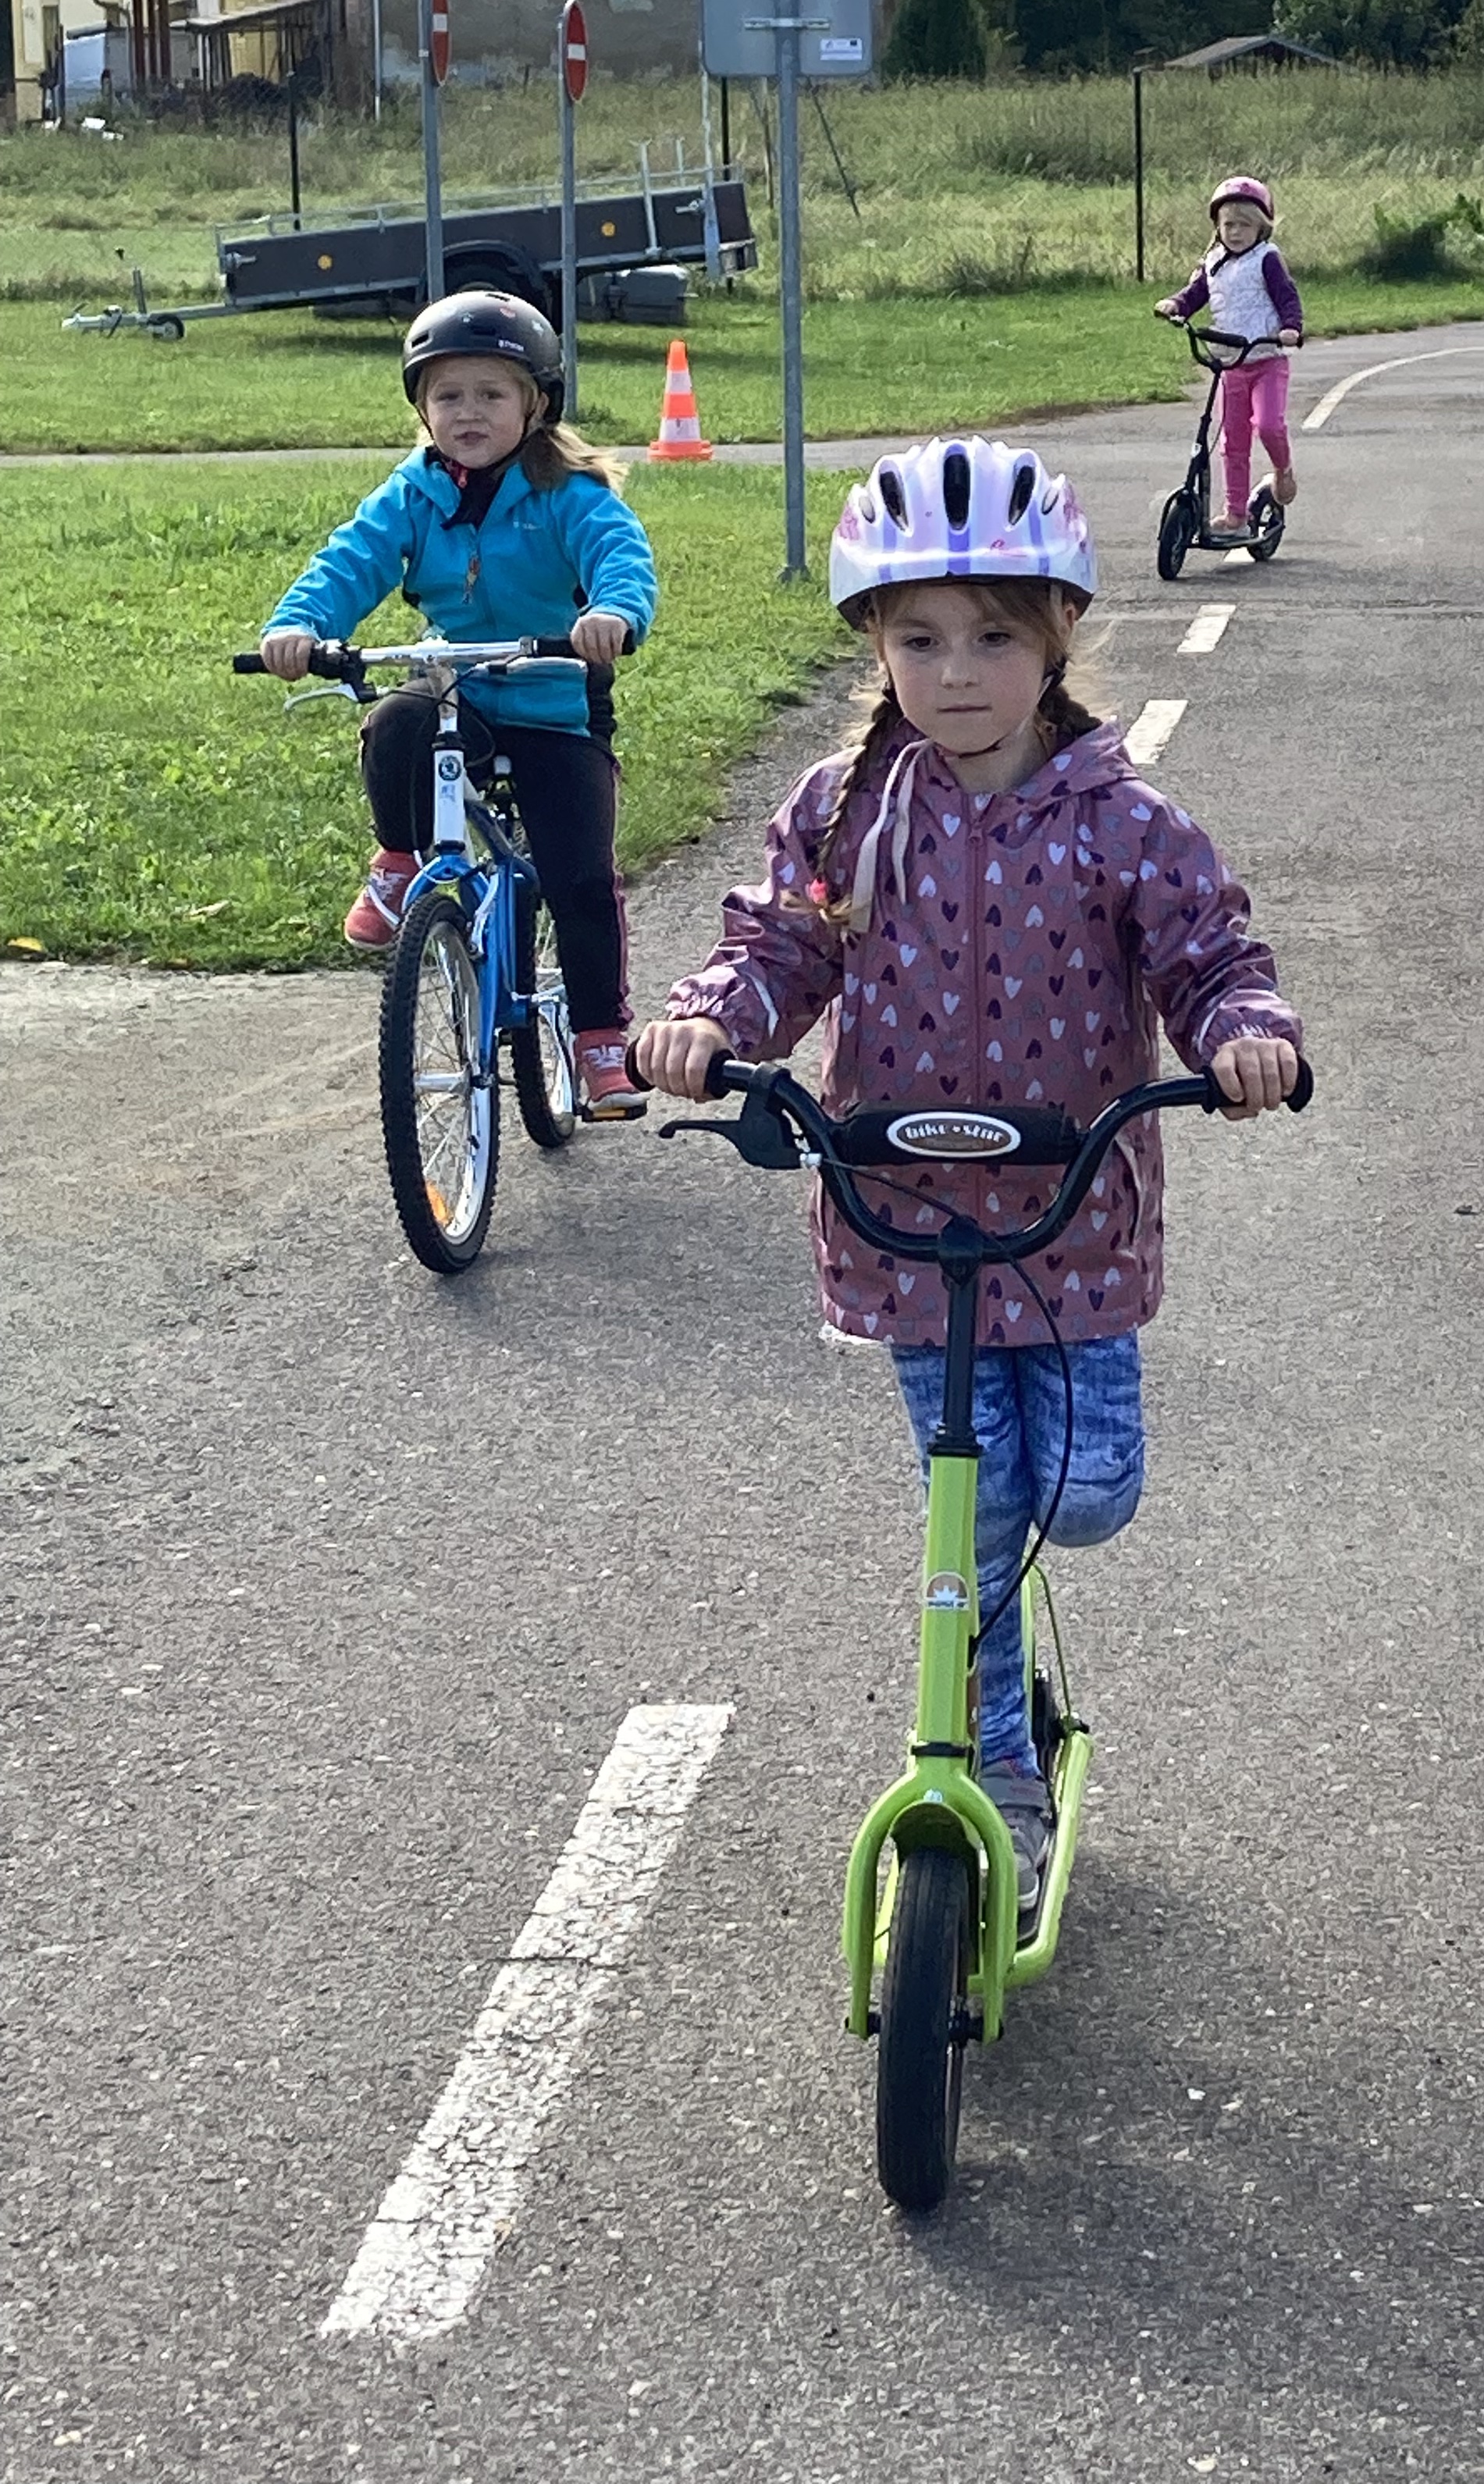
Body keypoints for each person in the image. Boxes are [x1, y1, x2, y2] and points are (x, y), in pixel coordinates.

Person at [639, 433, 1304, 1923]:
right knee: (980, 1514)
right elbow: (776, 947)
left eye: (992, 637)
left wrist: (1242, 1037)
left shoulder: (1120, 822)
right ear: (874, 643)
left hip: (1072, 1230)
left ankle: (1012, 1676)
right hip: (904, 1224)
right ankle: (991, 1764)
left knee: (1086, 1494)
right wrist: (710, 1022)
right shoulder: (847, 811)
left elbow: (1208, 956)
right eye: (919, 638)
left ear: (1056, 632)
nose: (955, 673)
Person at [258, 289, 659, 1120]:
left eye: (490, 394)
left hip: (556, 702)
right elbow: (350, 561)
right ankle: (399, 861)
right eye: (448, 396)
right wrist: (300, 626)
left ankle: (598, 1039)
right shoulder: (413, 493)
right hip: (460, 688)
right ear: (422, 408)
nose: (468, 413)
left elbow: (619, 555)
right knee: (396, 721)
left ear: (535, 405)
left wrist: (613, 613)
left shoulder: (569, 492)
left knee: (580, 877)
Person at [1156, 173, 1303, 543]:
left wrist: (1291, 327)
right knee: (1231, 441)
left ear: (1261, 227)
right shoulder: (1213, 262)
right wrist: (1176, 304)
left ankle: (1283, 469)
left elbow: (1287, 297)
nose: (1235, 232)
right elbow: (1195, 294)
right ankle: (1235, 515)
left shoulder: (1267, 259)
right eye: (1228, 225)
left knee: (1268, 425)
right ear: (1218, 228)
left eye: (1244, 225)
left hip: (1266, 358)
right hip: (1231, 364)